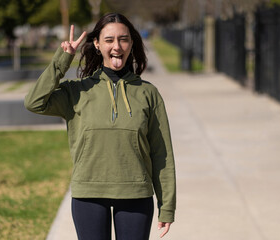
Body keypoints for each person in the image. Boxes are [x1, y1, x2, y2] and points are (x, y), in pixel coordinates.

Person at [24, 13, 176, 240]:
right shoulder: (76, 91)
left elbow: (161, 154)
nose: (117, 46)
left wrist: (167, 206)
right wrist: (62, 60)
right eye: (109, 40)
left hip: (135, 193)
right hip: (89, 194)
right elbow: (34, 102)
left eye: (123, 39)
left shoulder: (148, 93)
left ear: (131, 43)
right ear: (96, 44)